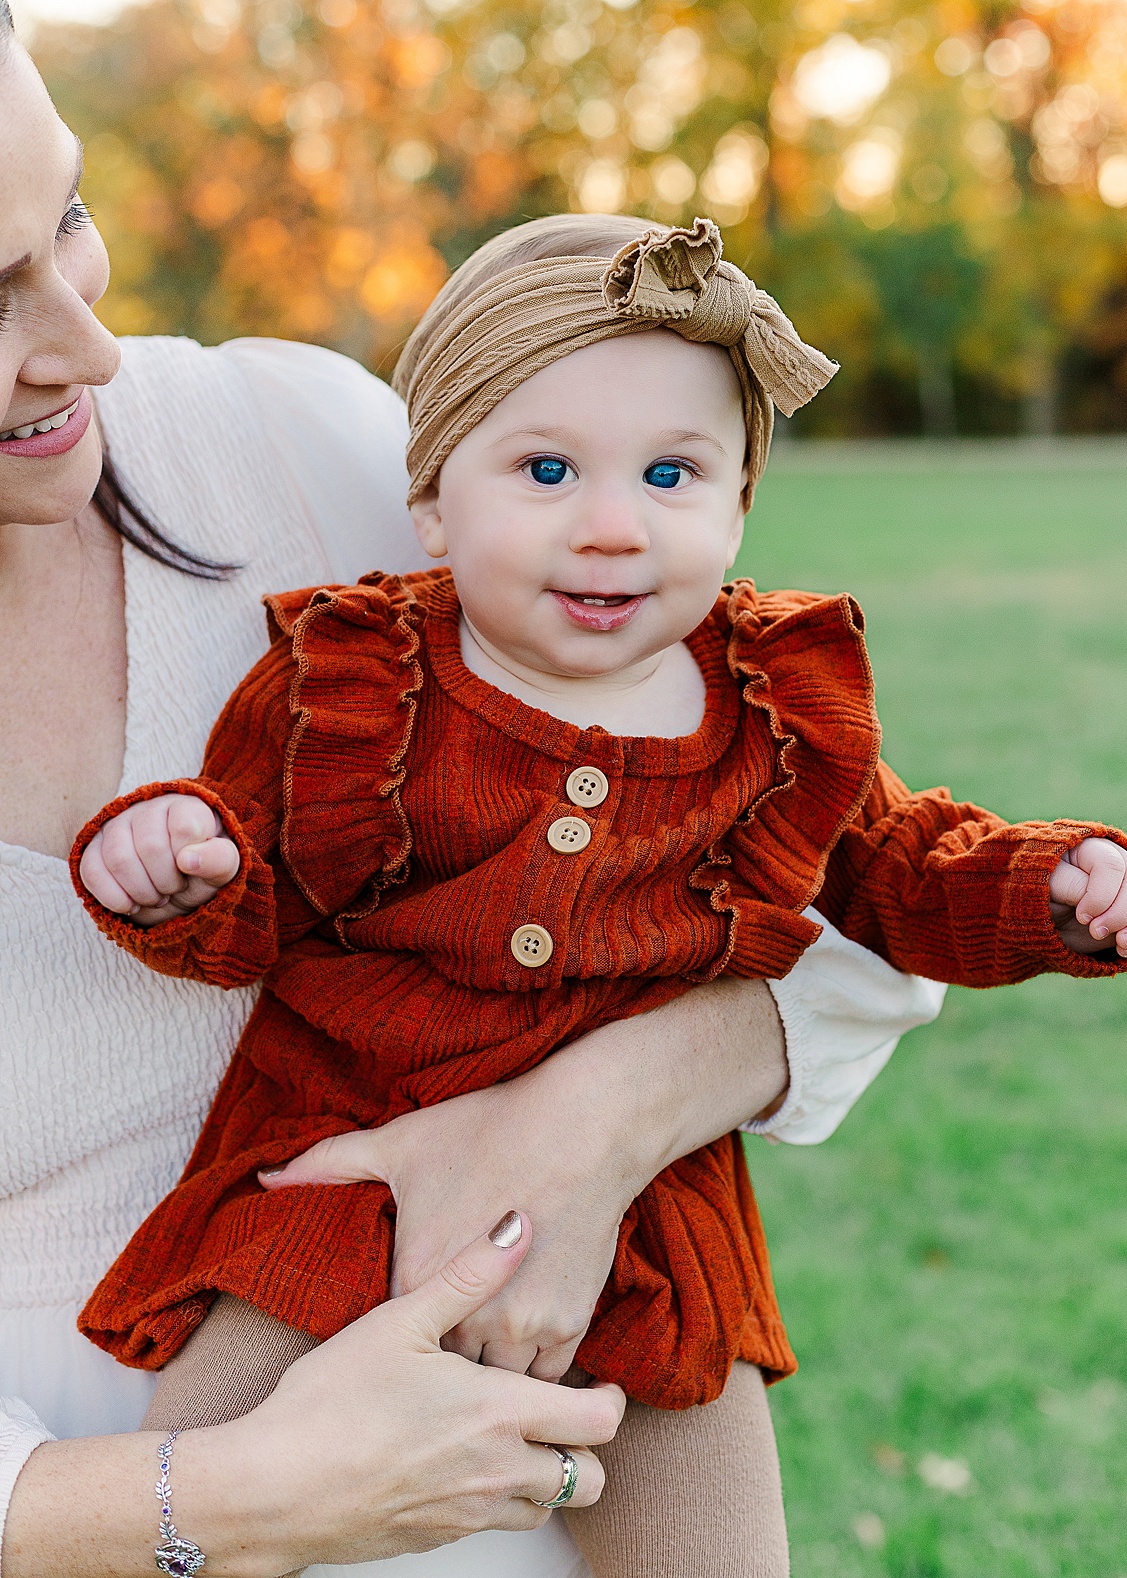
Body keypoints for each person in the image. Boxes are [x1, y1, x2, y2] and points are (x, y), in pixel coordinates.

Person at [0, 14, 948, 1576]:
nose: (88, 344)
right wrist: (220, 1502)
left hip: (488, 1460)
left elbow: (836, 884)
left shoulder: (306, 454)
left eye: (71, 219)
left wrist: (588, 1119)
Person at [73, 213, 1127, 1578]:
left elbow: (904, 864)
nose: (613, 526)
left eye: (674, 473)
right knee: (199, 1492)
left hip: (649, 1231)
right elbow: (254, 885)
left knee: (716, 1544)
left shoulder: (777, 711)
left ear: (741, 501)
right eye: (549, 469)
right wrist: (179, 869)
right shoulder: (357, 678)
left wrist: (1058, 886)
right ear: (437, 497)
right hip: (339, 1176)